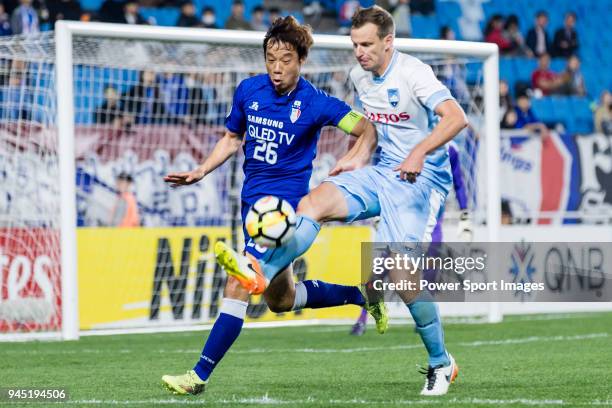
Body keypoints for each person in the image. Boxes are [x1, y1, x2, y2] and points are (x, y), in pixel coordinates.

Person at [219, 6, 467, 396]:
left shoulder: (414, 72)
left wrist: (418, 153)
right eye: (355, 44)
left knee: (402, 278)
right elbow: (372, 128)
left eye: (367, 44)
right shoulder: (358, 75)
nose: (359, 52)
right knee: (312, 204)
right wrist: (356, 155)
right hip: (382, 172)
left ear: (389, 42)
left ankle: (441, 363)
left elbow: (456, 118)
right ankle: (259, 269)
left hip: (421, 181)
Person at [160, 16, 385, 396]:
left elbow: (366, 128)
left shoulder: (315, 102)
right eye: (270, 59)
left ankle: (198, 376)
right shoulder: (249, 91)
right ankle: (361, 295)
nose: (277, 68)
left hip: (285, 216)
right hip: (252, 209)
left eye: (285, 60)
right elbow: (232, 139)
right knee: (281, 300)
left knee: (240, 280)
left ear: (301, 60)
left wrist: (358, 156)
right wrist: (202, 169)